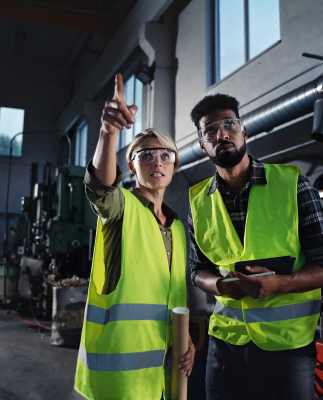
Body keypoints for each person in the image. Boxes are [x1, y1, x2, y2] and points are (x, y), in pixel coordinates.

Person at [187, 94, 323, 400]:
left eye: (229, 123)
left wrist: (278, 284)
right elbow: (196, 270)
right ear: (203, 146)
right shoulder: (197, 201)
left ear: (244, 131)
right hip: (225, 346)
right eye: (210, 130)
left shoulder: (293, 185)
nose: (222, 133)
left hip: (288, 347)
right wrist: (219, 284)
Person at [75, 73, 195, 400]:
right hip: (114, 376)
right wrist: (107, 131)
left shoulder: (177, 228)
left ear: (174, 164)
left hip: (159, 371)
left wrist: (185, 340)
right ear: (131, 165)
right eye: (145, 154)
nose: (156, 160)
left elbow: (173, 296)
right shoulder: (121, 208)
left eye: (165, 154)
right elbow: (100, 187)